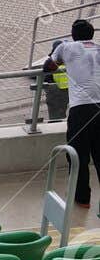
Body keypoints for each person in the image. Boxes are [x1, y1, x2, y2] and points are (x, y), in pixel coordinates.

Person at [44, 19, 100, 208]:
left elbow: (48, 66)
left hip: (81, 109)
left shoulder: (66, 47)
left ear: (73, 34)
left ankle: (82, 199)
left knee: (78, 155)